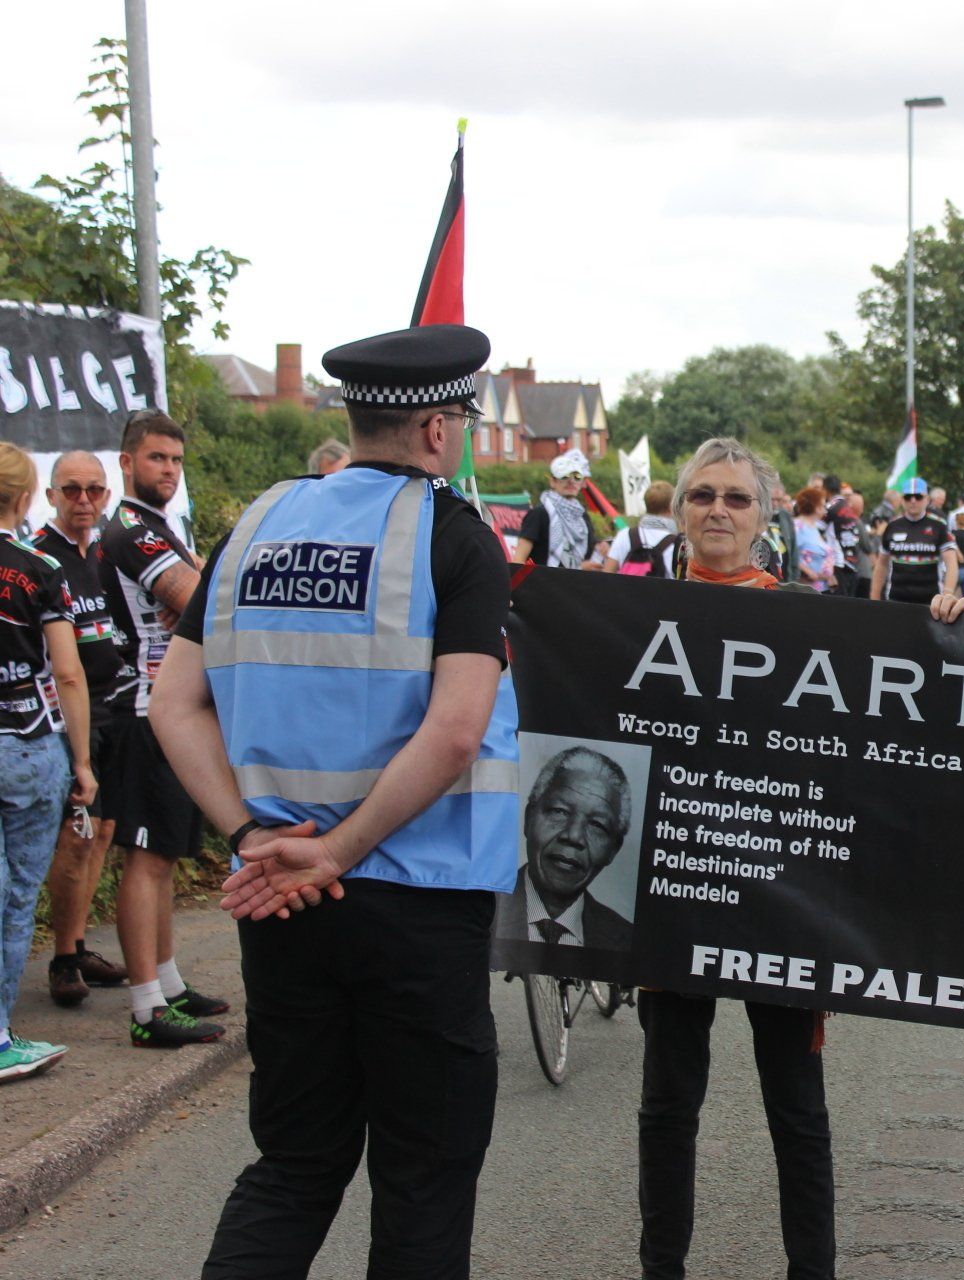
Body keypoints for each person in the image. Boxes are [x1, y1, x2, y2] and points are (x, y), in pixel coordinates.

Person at [154, 324, 519, 1275]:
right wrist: (337, 850)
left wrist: (251, 836)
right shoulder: (455, 537)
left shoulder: (254, 528)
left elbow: (172, 704)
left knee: (294, 1164)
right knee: (423, 1180)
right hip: (419, 902)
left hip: (283, 902)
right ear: (438, 431)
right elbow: (456, 730)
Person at [643, 437, 835, 1280]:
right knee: (667, 1105)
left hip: (780, 893)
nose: (718, 510)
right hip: (674, 887)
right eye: (702, 495)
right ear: (679, 511)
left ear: (765, 517)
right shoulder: (630, 613)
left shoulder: (810, 617)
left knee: (796, 1110)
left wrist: (945, 625)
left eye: (737, 498)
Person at [98, 409, 229, 1047]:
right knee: (146, 858)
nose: (169, 471)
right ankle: (147, 1009)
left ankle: (169, 984)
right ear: (127, 463)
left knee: (166, 856)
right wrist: (205, 587)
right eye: (156, 458)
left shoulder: (160, 526)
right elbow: (203, 600)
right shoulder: (131, 529)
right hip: (142, 711)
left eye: (176, 460)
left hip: (170, 708)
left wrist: (205, 585)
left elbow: (204, 592)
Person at [0, 444, 97, 1083]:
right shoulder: (39, 568)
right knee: (14, 899)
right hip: (27, 745)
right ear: (26, 497)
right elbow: (67, 673)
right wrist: (83, 763)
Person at [35, 451, 131, 1005]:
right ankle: (63, 959)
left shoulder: (106, 553)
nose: (84, 500)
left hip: (119, 709)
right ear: (51, 495)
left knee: (105, 831)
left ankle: (77, 943)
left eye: (94, 490)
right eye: (71, 490)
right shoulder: (40, 558)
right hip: (71, 712)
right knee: (77, 835)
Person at [499, 746, 632, 949]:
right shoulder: (483, 908)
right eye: (559, 811)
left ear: (613, 850)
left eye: (597, 825)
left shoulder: (626, 939)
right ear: (528, 818)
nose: (573, 836)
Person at [871, 478, 958, 605]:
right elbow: (881, 564)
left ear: (927, 499)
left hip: (931, 603)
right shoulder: (892, 526)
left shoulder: (939, 525)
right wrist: (874, 598)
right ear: (902, 500)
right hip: (896, 601)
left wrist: (947, 594)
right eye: (908, 497)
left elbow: (951, 562)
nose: (913, 501)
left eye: (918, 497)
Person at [513, 448, 595, 569]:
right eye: (564, 476)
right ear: (553, 482)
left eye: (577, 476)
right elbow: (518, 559)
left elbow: (588, 556)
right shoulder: (539, 514)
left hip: (577, 580)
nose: (571, 481)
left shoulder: (582, 517)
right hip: (542, 580)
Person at [609, 479, 679, 578]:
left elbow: (607, 572)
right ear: (671, 506)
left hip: (625, 588)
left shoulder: (624, 535)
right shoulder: (676, 544)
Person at [790, 485, 839, 592]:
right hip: (805, 588)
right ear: (816, 507)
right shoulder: (797, 526)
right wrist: (807, 571)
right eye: (823, 505)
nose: (825, 509)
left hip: (820, 587)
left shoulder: (814, 527)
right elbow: (790, 553)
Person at [821, 474, 861, 596]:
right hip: (853, 562)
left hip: (838, 564)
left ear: (825, 490)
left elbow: (817, 531)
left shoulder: (830, 508)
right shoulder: (848, 507)